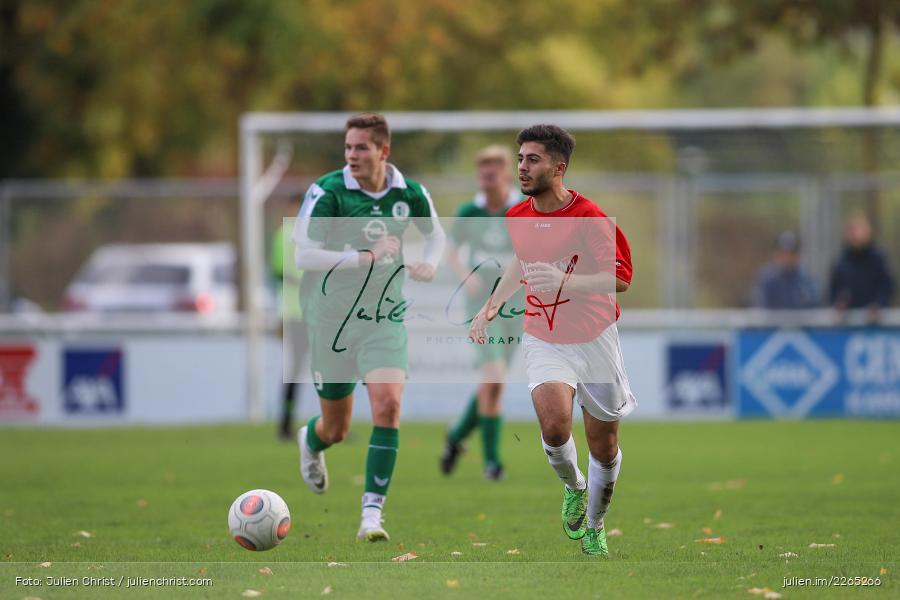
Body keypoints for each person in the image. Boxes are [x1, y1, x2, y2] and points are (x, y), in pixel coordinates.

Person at [469, 124, 635, 556]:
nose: (522, 167)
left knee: (604, 444)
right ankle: (574, 487)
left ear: (558, 168)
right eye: (520, 158)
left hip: (596, 338)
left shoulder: (591, 217)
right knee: (555, 422)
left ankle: (595, 524)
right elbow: (520, 262)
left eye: (533, 159)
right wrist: (490, 306)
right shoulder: (518, 216)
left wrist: (566, 279)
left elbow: (620, 278)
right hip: (545, 334)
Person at [292, 113, 445, 541]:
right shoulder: (329, 191)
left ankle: (372, 515)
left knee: (388, 406)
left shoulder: (409, 193)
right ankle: (313, 440)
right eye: (348, 147)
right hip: (331, 319)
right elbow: (303, 254)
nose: (352, 156)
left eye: (361, 147)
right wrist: (362, 256)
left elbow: (436, 236)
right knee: (336, 429)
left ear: (384, 151)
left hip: (384, 316)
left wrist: (429, 263)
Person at [440, 145, 523, 481]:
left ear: (505, 174)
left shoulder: (522, 208)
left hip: (515, 304)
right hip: (479, 307)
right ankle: (492, 462)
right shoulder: (468, 212)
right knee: (495, 376)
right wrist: (466, 275)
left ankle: (457, 435)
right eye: (482, 172)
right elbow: (450, 252)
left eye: (493, 171)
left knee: (493, 383)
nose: (487, 178)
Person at [270, 216, 309, 440]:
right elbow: (278, 270)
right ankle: (285, 424)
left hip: (307, 312)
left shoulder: (291, 232)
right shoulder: (287, 233)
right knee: (295, 370)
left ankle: (333, 423)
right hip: (296, 313)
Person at [830, 215, 895, 322]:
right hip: (847, 325)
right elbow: (834, 289)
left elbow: (887, 287)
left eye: (859, 230)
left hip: (878, 324)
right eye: (852, 230)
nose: (856, 234)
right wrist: (839, 303)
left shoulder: (879, 259)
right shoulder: (841, 261)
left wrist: (879, 304)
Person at [750, 231, 819, 309]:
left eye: (791, 253)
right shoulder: (766, 279)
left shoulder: (807, 280)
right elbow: (759, 306)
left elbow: (814, 306)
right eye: (783, 252)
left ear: (798, 254)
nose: (787, 257)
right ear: (775, 253)